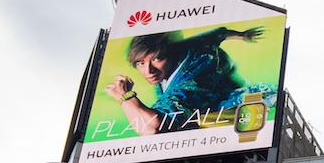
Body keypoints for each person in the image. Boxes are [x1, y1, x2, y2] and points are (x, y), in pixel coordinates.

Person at [103, 26, 276, 135]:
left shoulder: (189, 83)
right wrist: (243, 35)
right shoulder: (192, 43)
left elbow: (152, 127)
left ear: (171, 54)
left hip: (241, 106)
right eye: (141, 63)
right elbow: (219, 32)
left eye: (157, 59)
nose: (148, 71)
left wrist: (126, 97)